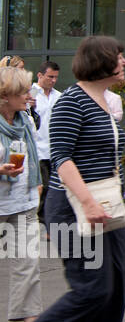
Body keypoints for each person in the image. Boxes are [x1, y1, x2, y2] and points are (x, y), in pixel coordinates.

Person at [0, 37, 125, 322]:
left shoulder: (107, 102)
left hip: (105, 206)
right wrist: (88, 203)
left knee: (116, 289)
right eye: (119, 57)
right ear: (101, 62)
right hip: (72, 207)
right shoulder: (71, 102)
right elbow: (61, 158)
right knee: (93, 290)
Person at [0, 66, 42, 322]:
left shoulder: (26, 120)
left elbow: (34, 154)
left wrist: (35, 183)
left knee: (28, 266)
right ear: (5, 96)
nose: (29, 95)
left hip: (23, 202)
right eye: (23, 91)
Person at [29, 61, 59, 224]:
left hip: (53, 148)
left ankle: (45, 218)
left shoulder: (58, 96)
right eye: (50, 77)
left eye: (55, 77)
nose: (53, 80)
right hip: (37, 147)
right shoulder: (30, 94)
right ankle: (42, 217)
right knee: (44, 185)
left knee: (52, 187)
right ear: (40, 75)